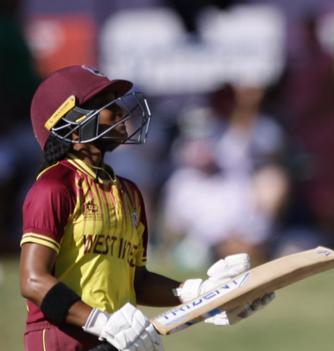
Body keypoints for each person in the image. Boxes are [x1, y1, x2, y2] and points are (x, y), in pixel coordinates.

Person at [19, 65, 273, 351]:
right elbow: (33, 280)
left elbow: (136, 281)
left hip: (115, 340)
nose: (119, 113)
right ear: (72, 127)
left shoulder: (128, 193)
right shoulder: (54, 187)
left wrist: (200, 293)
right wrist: (101, 322)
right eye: (105, 105)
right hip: (63, 339)